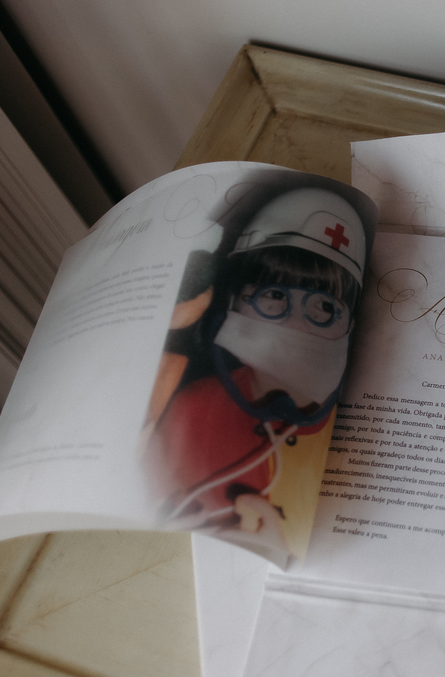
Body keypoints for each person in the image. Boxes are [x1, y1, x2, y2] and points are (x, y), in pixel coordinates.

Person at [145, 178, 374, 564]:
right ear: (234, 302)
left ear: (350, 326)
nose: (297, 324)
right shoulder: (191, 411)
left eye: (324, 307)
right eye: (274, 296)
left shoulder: (365, 426)